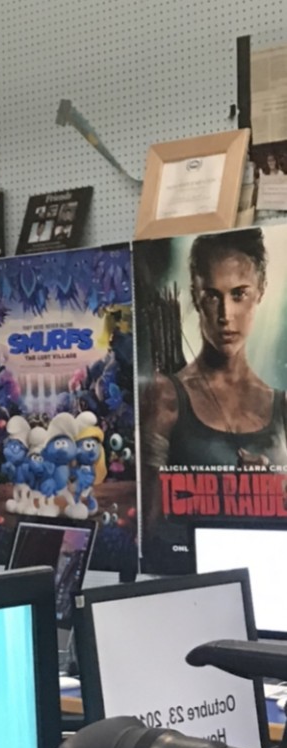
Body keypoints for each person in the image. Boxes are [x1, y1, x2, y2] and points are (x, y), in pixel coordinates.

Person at [141, 227, 287, 541]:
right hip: (190, 577)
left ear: (260, 290)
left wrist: (271, 488)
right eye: (212, 296)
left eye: (239, 294)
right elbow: (150, 529)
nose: (225, 315)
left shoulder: (282, 406)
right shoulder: (167, 396)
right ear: (195, 295)